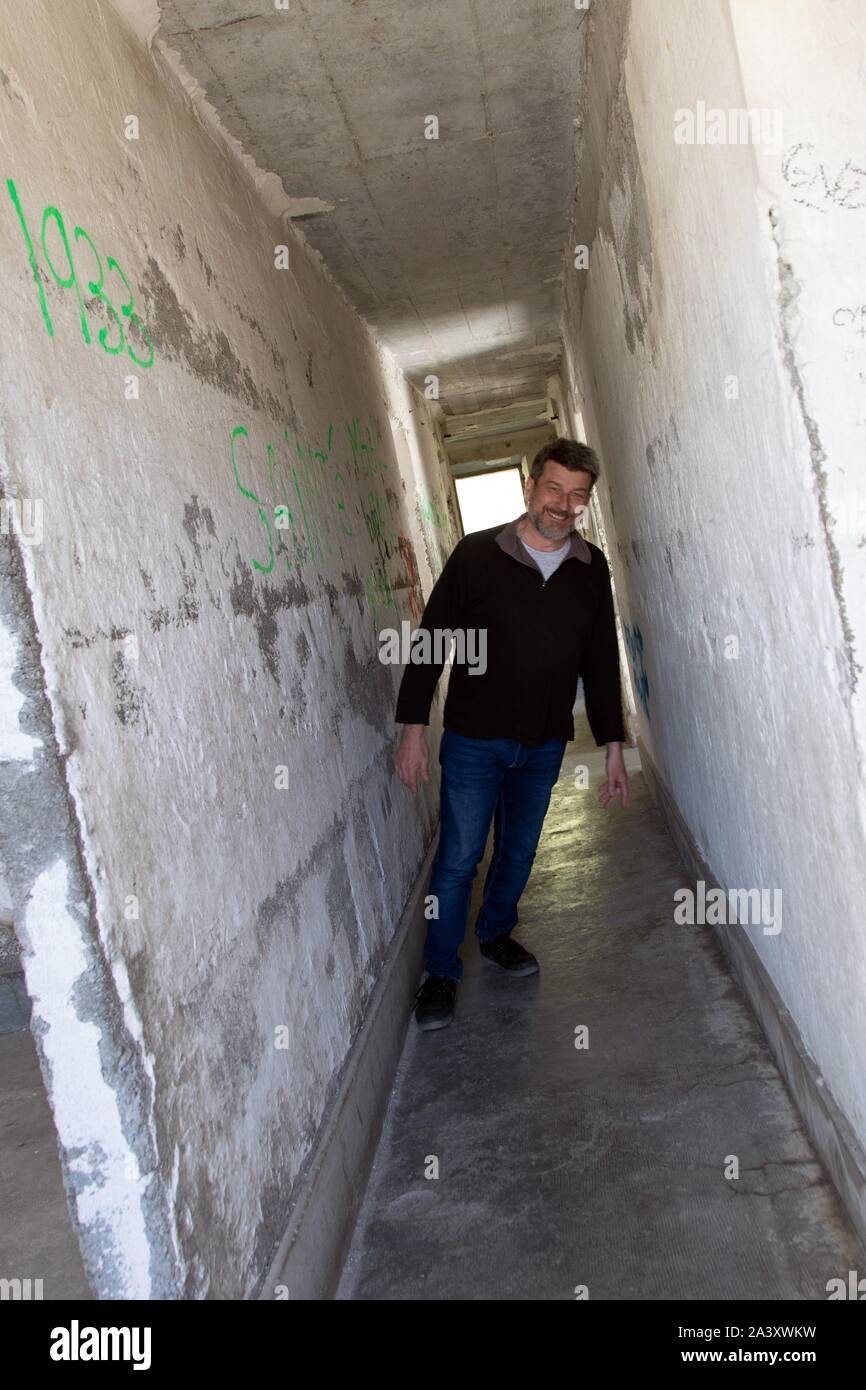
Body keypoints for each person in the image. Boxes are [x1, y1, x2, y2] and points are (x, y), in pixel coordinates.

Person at [394, 438, 628, 1030]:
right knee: (459, 859)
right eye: (554, 489)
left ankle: (496, 932)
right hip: (474, 738)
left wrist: (614, 744)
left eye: (577, 496)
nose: (563, 504)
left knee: (520, 850)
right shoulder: (477, 556)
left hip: (546, 740)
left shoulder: (589, 567)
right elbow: (432, 640)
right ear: (529, 488)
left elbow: (601, 658)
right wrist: (413, 728)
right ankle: (441, 973)